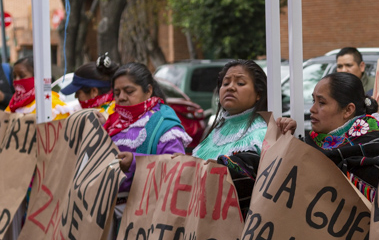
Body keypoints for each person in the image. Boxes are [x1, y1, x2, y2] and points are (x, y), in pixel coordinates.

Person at [304, 72, 379, 200]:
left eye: (321, 102)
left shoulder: (377, 147)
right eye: (313, 100)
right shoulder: (310, 143)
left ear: (348, 110)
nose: (312, 109)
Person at [193, 60, 269, 214]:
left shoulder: (263, 133)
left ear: (258, 94)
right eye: (225, 83)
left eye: (240, 83)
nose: (231, 87)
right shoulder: (213, 132)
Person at [106, 62, 191, 195]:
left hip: (147, 208)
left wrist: (135, 161)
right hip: (109, 208)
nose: (121, 97)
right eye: (116, 93)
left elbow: (176, 166)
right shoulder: (112, 122)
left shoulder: (163, 122)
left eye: (129, 91)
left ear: (148, 91)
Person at [5, 56, 73, 120]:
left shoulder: (50, 104)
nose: (17, 80)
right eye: (14, 76)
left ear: (37, 77)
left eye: (22, 76)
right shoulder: (14, 102)